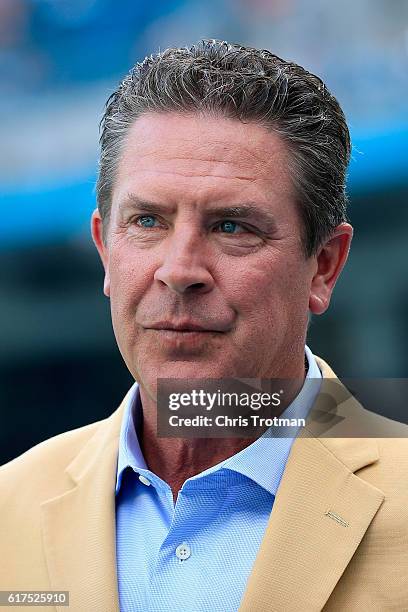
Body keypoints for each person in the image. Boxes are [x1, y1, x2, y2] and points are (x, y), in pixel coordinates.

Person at [1, 40, 407, 612]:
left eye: (232, 227)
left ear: (324, 266)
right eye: (147, 221)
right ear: (104, 250)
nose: (180, 270)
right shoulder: (8, 511)